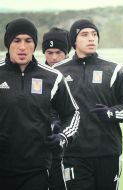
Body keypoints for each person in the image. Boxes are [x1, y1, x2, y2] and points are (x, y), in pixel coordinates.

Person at [53, 19, 123, 190]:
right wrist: (55, 124)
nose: (91, 38)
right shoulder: (58, 72)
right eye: (84, 34)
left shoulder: (113, 69)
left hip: (108, 152)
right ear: (74, 41)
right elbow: (49, 107)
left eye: (94, 34)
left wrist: (112, 113)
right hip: (73, 153)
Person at [0, 18, 80, 190]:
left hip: (37, 170)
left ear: (35, 44)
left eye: (28, 41)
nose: (22, 47)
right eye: (17, 40)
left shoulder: (53, 77)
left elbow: (73, 113)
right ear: (8, 43)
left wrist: (63, 137)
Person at [42, 27, 72, 190]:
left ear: (67, 52)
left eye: (58, 52)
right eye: (49, 52)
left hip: (75, 147)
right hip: (47, 147)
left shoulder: (76, 72)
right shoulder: (38, 74)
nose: (54, 57)